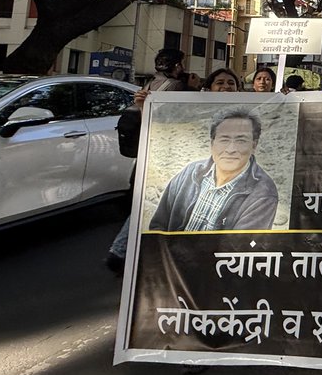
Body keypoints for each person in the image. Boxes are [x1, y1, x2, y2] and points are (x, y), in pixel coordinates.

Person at [105, 48, 190, 273]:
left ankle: (122, 250)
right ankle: (124, 250)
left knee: (151, 202)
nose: (183, 67)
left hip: (147, 151)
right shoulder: (176, 87)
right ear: (176, 65)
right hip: (165, 152)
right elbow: (169, 120)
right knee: (156, 202)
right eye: (181, 63)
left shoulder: (151, 84)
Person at [149, 106, 279, 231]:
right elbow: (158, 226)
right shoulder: (190, 172)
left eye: (241, 141)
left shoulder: (264, 194)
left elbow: (239, 247)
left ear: (254, 146)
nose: (231, 149)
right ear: (212, 143)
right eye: (224, 140)